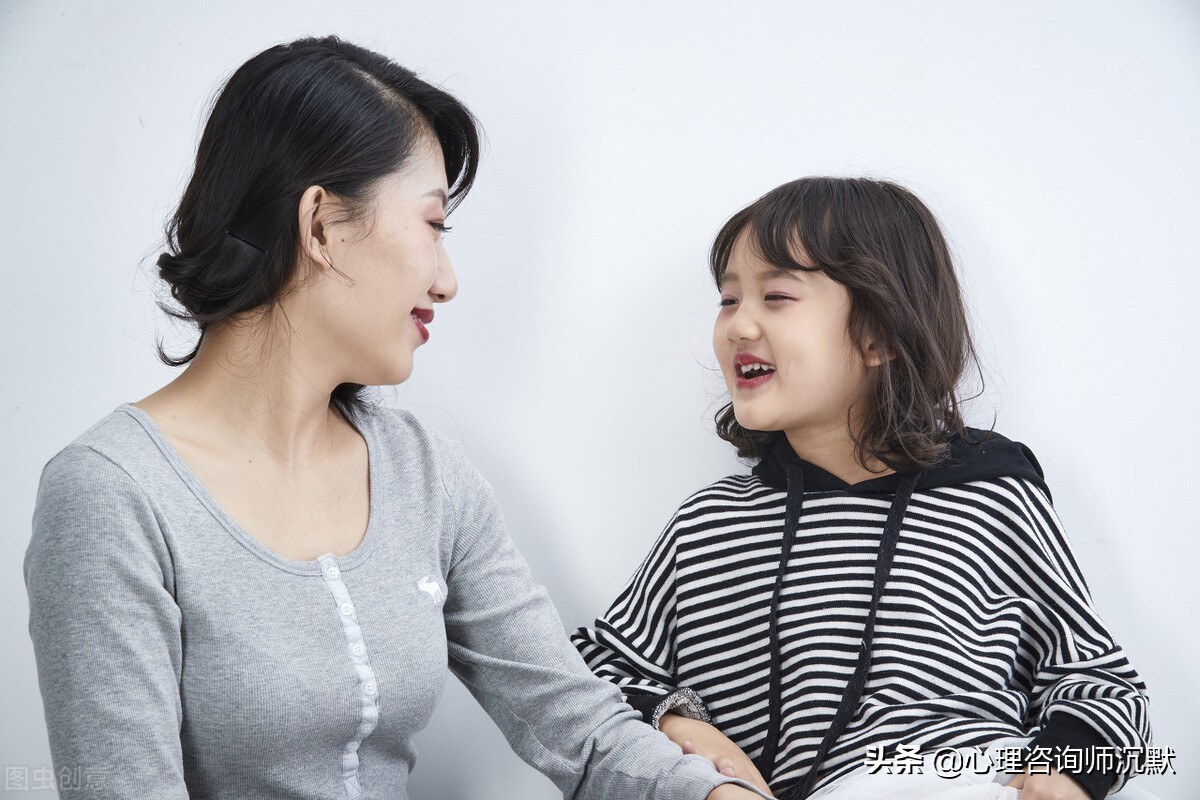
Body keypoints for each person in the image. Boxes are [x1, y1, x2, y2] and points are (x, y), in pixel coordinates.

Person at [23, 36, 768, 800]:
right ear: (319, 227)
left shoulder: (426, 473)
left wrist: (714, 794)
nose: (447, 282)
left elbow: (581, 728)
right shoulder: (113, 495)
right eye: (433, 225)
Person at [572, 177, 1152, 800]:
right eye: (728, 300)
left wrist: (1063, 775)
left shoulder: (990, 500)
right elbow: (594, 672)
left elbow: (1103, 685)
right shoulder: (710, 524)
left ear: (880, 334)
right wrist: (682, 726)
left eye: (776, 296)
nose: (739, 325)